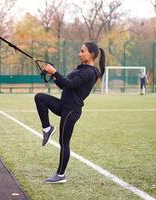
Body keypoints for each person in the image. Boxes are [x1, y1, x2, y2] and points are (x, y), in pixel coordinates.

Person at [34, 42, 105, 183]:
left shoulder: (90, 72)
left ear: (91, 54)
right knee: (40, 97)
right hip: (64, 105)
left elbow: (71, 85)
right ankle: (47, 129)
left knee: (63, 143)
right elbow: (64, 84)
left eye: (82, 51)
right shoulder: (81, 69)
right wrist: (53, 74)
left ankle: (60, 175)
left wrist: (55, 72)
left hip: (72, 110)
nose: (79, 54)